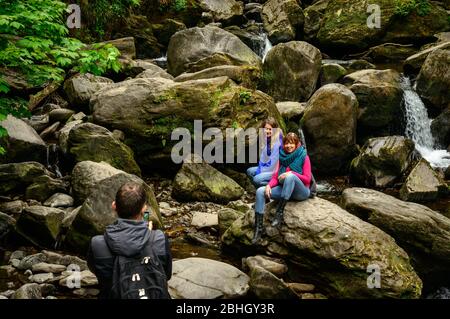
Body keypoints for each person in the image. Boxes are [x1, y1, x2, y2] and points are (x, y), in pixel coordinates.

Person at [87, 182, 172, 299]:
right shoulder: (159, 239)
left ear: (114, 206)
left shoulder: (97, 244)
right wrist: (148, 233)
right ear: (144, 209)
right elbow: (166, 274)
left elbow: (96, 272)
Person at [252, 132, 312, 244]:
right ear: (283, 144)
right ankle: (258, 229)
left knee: (290, 177)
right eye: (286, 143)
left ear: (297, 144)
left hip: (301, 192)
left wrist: (291, 173)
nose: (289, 146)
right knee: (260, 191)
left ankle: (279, 213)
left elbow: (307, 179)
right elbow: (275, 176)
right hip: (284, 190)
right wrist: (269, 186)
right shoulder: (282, 157)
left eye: (292, 143)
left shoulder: (304, 156)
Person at [246, 117, 283, 188]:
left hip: (276, 170)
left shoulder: (278, 141)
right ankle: (260, 190)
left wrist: (259, 172)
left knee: (256, 179)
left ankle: (274, 186)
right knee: (249, 171)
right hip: (268, 167)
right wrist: (259, 169)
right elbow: (263, 159)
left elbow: (272, 164)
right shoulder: (267, 139)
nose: (267, 131)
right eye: (266, 129)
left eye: (270, 129)